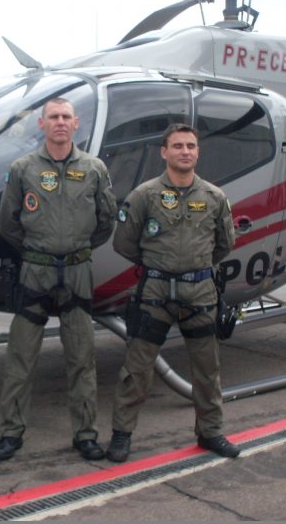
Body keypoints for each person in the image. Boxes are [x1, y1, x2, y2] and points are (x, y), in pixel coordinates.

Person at [105, 123, 239, 463]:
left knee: (207, 370)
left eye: (191, 146)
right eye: (177, 146)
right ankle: (121, 435)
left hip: (201, 294)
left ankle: (210, 433)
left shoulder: (214, 197)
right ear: (164, 152)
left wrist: (194, 267)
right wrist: (158, 266)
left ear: (198, 152)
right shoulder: (144, 196)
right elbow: (124, 243)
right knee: (136, 370)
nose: (185, 151)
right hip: (154, 293)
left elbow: (225, 245)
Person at [0, 97, 116, 461]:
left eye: (66, 117)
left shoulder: (94, 169)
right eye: (53, 117)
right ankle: (11, 433)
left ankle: (86, 434)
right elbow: (7, 223)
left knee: (82, 359)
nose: (60, 122)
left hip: (78, 272)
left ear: (76, 123)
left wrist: (77, 248)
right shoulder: (22, 169)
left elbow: (106, 221)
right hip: (34, 271)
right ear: (41, 124)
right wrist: (38, 250)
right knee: (21, 358)